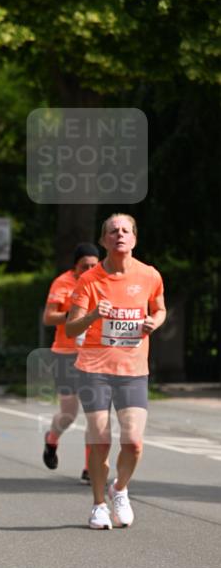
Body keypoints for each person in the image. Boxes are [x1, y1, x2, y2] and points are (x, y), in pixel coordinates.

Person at [65, 214, 166, 529]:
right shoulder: (89, 280)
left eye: (125, 230)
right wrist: (94, 314)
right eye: (113, 231)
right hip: (94, 369)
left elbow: (159, 307)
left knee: (134, 442)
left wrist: (155, 322)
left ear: (134, 238)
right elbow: (70, 328)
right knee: (100, 439)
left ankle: (119, 488)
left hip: (133, 369)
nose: (119, 235)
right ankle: (98, 505)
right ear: (103, 240)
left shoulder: (149, 275)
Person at [42, 243, 100, 482]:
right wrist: (73, 315)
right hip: (66, 355)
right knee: (69, 413)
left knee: (95, 414)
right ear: (75, 266)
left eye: (93, 265)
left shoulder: (103, 281)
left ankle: (90, 468)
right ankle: (52, 439)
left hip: (94, 354)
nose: (89, 269)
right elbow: (48, 317)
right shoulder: (62, 283)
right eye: (84, 266)